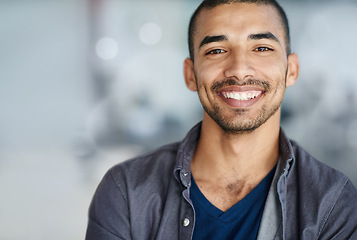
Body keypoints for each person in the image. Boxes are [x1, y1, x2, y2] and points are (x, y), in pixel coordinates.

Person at [85, 0, 357, 239]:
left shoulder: (332, 201)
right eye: (216, 50)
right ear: (190, 75)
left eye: (261, 48)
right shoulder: (126, 192)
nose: (239, 69)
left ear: (292, 70)